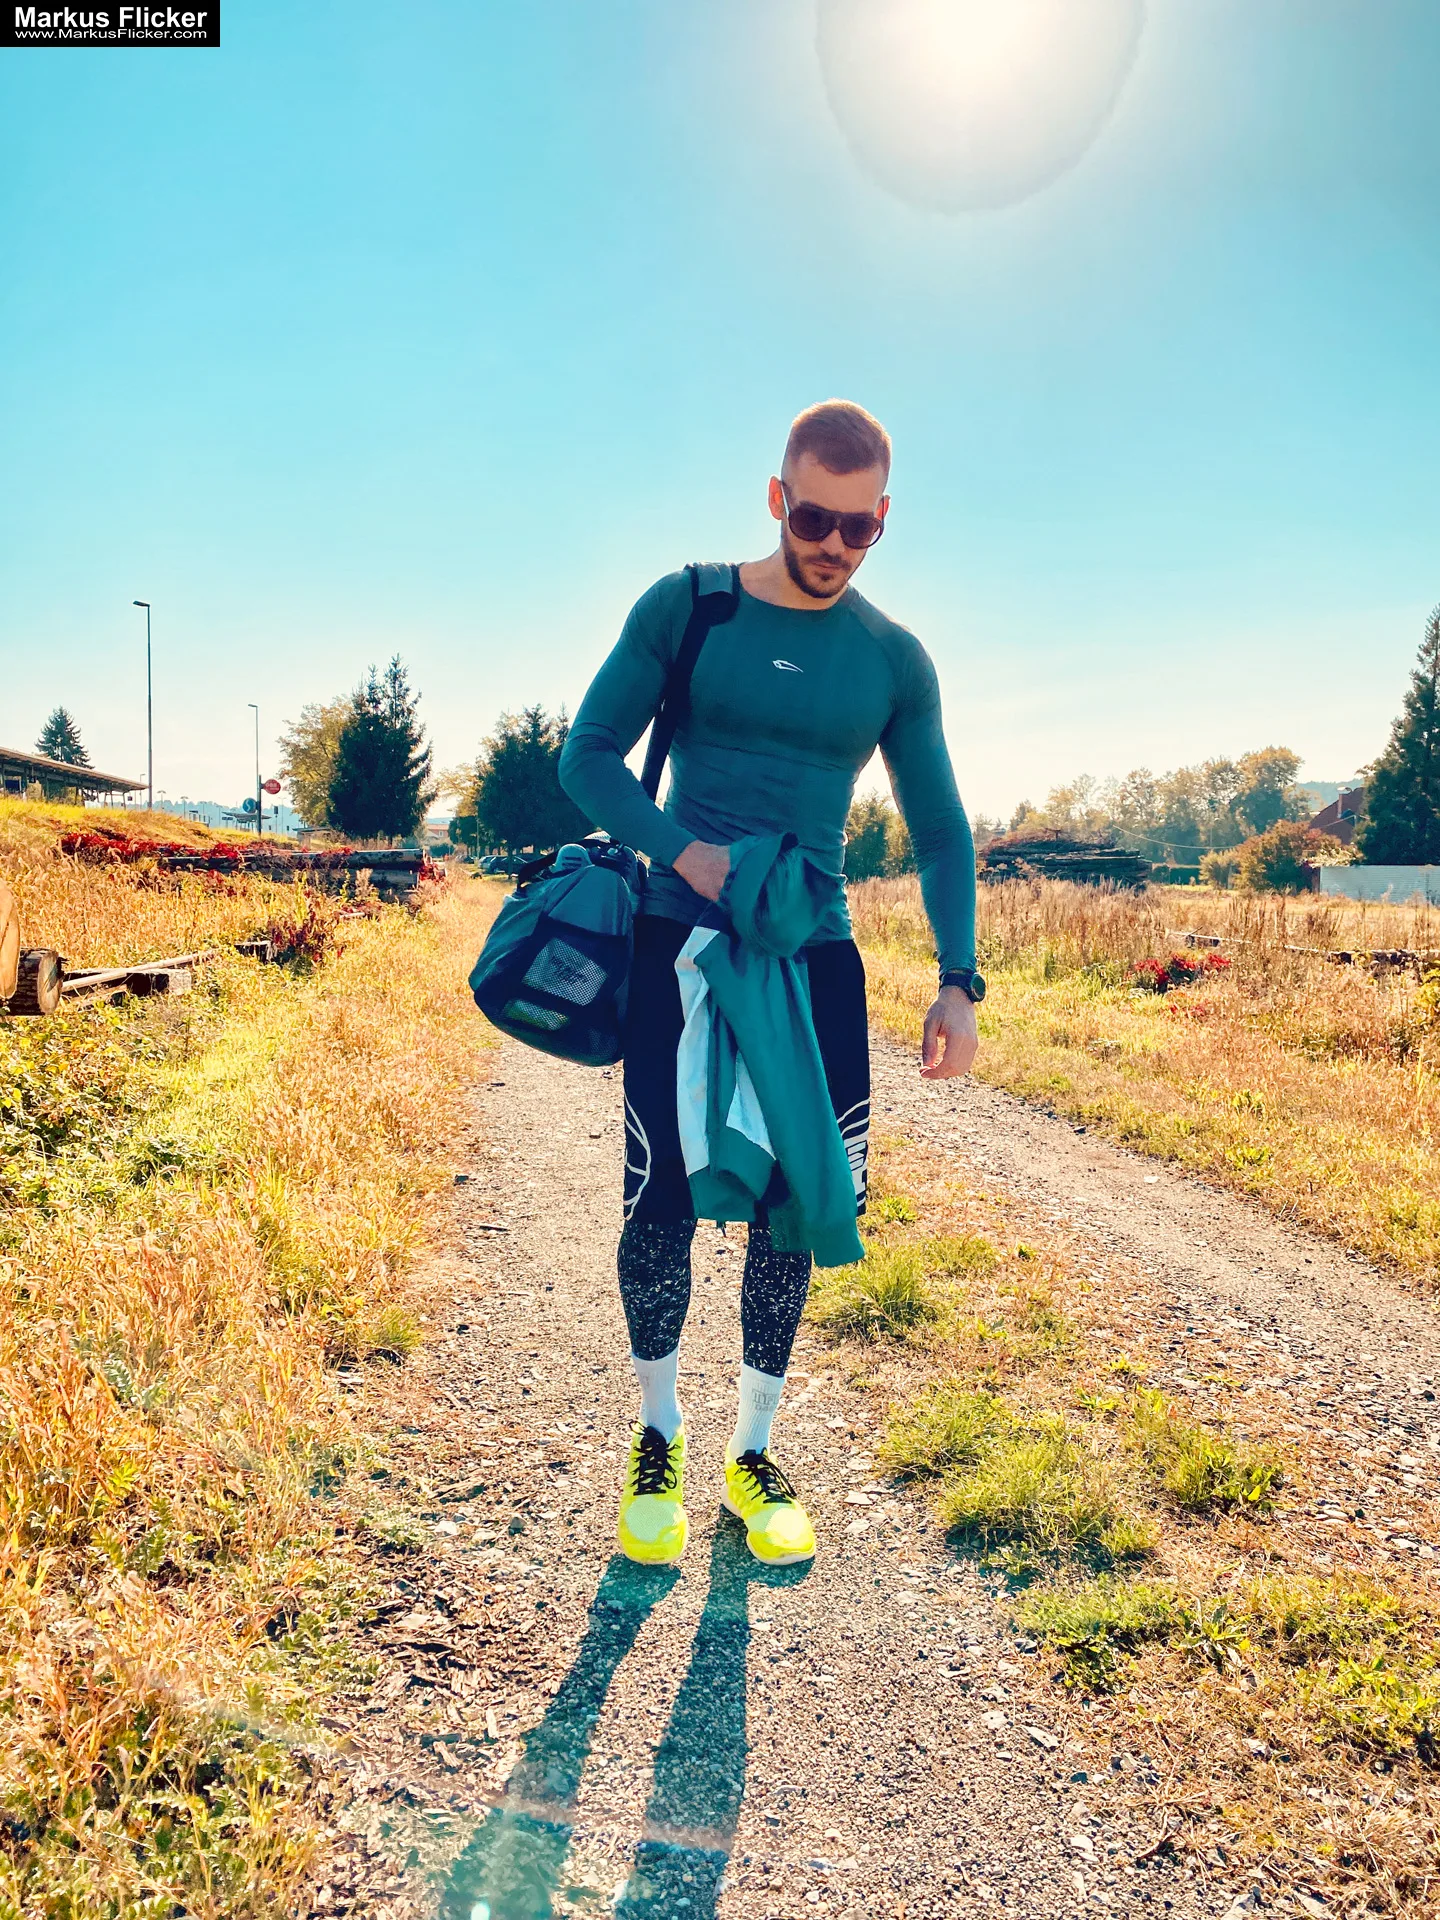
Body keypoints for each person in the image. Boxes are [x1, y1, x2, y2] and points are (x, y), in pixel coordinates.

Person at [559, 399, 982, 1569]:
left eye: (859, 527)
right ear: (775, 498)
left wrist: (959, 980)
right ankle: (658, 1435)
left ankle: (752, 1451)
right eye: (812, 518)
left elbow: (941, 831)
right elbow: (585, 756)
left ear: (883, 517)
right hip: (677, 938)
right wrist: (683, 852)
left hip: (815, 958)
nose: (833, 545)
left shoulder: (892, 660)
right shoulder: (688, 605)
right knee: (660, 1193)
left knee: (798, 1200)